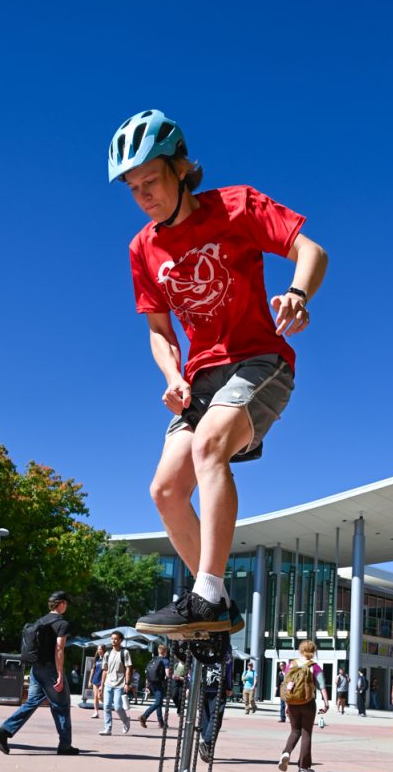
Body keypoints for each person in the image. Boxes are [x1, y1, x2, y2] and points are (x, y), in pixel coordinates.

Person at [107, 109, 328, 637]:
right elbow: (159, 330)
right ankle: (219, 602)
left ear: (180, 168)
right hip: (200, 378)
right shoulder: (143, 248)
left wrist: (297, 293)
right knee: (164, 490)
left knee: (209, 446)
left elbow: (310, 249)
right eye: (133, 188)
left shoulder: (236, 206)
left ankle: (205, 593)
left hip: (260, 361)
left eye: (151, 181)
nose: (144, 196)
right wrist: (171, 374)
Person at [0, 592, 75, 756]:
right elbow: (59, 649)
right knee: (62, 705)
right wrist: (60, 674)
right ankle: (65, 745)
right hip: (50, 669)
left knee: (31, 702)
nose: (66, 606)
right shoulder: (62, 624)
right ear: (60, 604)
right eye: (65, 603)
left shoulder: (40, 621)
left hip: (35, 669)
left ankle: (4, 730)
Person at [278, 640, 329, 772]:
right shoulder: (315, 667)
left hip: (293, 703)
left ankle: (286, 752)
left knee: (295, 731)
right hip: (308, 703)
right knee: (306, 733)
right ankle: (304, 767)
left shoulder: (291, 664)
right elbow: (322, 686)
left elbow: (287, 685)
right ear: (313, 652)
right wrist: (326, 703)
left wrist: (287, 705)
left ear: (300, 650)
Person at [199, 645, 234, 761]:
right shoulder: (225, 646)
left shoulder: (204, 643)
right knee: (216, 717)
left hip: (203, 684)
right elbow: (228, 667)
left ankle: (206, 746)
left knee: (205, 716)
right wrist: (229, 686)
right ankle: (206, 742)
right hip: (218, 685)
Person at [99, 631, 133, 736]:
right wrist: (101, 685)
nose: (113, 641)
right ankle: (107, 728)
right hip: (108, 683)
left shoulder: (125, 653)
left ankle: (126, 721)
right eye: (112, 638)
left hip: (120, 684)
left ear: (120, 640)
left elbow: (128, 669)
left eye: (116, 639)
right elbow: (105, 670)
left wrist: (127, 683)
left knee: (118, 707)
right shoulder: (107, 654)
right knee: (106, 706)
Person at [139, 644, 170, 730]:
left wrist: (147, 686)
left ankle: (161, 723)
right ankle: (144, 716)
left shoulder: (153, 660)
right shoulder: (165, 661)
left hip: (152, 683)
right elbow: (167, 674)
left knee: (159, 702)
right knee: (158, 702)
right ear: (165, 652)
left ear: (158, 651)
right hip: (159, 683)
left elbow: (148, 673)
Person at [88, 644, 106, 718]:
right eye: (98, 649)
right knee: (95, 696)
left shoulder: (106, 659)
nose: (99, 651)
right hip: (95, 679)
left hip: (102, 680)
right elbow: (92, 670)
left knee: (100, 696)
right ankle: (96, 712)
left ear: (104, 650)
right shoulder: (96, 659)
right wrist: (90, 680)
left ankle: (107, 707)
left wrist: (103, 682)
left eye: (101, 649)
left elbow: (106, 671)